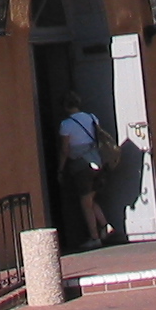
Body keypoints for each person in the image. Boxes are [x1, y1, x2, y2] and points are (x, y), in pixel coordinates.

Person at [56, 91, 114, 247]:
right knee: (90, 199)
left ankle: (95, 237)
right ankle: (105, 225)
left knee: (85, 202)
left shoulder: (66, 125)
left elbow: (65, 150)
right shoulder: (91, 118)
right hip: (97, 161)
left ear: (64, 107)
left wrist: (60, 170)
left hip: (82, 166)